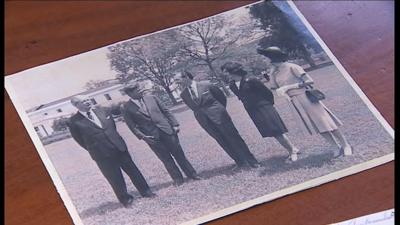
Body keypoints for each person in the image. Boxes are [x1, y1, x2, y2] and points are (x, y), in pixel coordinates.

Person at [257, 46, 353, 157]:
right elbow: (274, 87)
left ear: (272, 57)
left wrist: (289, 87)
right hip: (294, 101)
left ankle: (345, 145)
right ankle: (335, 146)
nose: (266, 60)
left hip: (305, 97)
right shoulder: (274, 72)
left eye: (266, 57)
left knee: (326, 122)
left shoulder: (292, 67)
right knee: (316, 125)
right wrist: (272, 74)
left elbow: (309, 81)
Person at [67, 95, 155, 208]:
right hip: (101, 155)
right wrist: (96, 147)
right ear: (76, 105)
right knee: (114, 178)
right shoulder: (73, 122)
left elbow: (112, 127)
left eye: (88, 99)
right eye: (83, 101)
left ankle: (146, 191)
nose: (87, 102)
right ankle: (126, 199)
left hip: (119, 147)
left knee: (133, 171)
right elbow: (80, 140)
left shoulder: (103, 110)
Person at [175, 70, 261, 171]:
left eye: (178, 80)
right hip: (205, 121)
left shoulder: (206, 85)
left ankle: (252, 161)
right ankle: (239, 162)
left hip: (219, 116)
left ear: (186, 77)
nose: (177, 83)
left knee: (234, 138)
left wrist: (219, 111)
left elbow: (221, 98)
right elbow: (194, 107)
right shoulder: (183, 94)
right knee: (221, 141)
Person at [120, 81, 201, 187]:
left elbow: (166, 111)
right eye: (137, 89)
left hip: (167, 130)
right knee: (166, 158)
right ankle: (177, 179)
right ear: (130, 93)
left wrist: (175, 124)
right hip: (152, 137)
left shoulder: (152, 97)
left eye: (139, 88)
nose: (140, 90)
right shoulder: (126, 107)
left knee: (179, 154)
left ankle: (192, 174)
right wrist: (143, 137)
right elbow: (132, 126)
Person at [221, 62, 300, 162]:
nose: (225, 74)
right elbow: (241, 97)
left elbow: (267, 93)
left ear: (233, 71)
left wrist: (267, 105)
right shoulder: (232, 85)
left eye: (226, 72)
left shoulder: (251, 80)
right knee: (272, 132)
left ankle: (292, 151)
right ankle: (292, 148)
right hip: (252, 110)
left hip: (264, 107)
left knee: (276, 131)